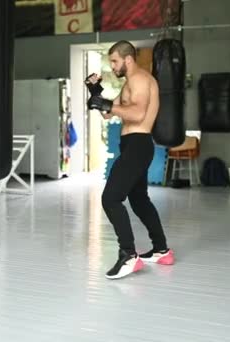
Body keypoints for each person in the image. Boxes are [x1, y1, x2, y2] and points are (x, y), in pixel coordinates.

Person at [85, 40, 174, 280]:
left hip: (138, 144)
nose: (112, 66)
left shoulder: (141, 80)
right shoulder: (129, 84)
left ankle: (128, 255)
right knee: (139, 200)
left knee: (111, 198)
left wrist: (106, 104)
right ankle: (161, 250)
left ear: (127, 59)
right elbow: (109, 113)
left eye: (114, 61)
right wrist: (96, 93)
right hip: (132, 145)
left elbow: (137, 114)